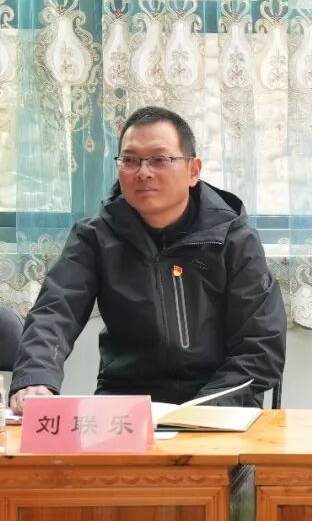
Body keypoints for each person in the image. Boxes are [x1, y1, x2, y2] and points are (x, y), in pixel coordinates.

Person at [9, 106, 286, 412]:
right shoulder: (95, 237)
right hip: (127, 402)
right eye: (130, 160)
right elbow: (55, 310)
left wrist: (203, 410)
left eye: (159, 159)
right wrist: (35, 378)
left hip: (219, 405)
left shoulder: (234, 239)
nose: (143, 172)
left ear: (193, 170)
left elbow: (260, 347)